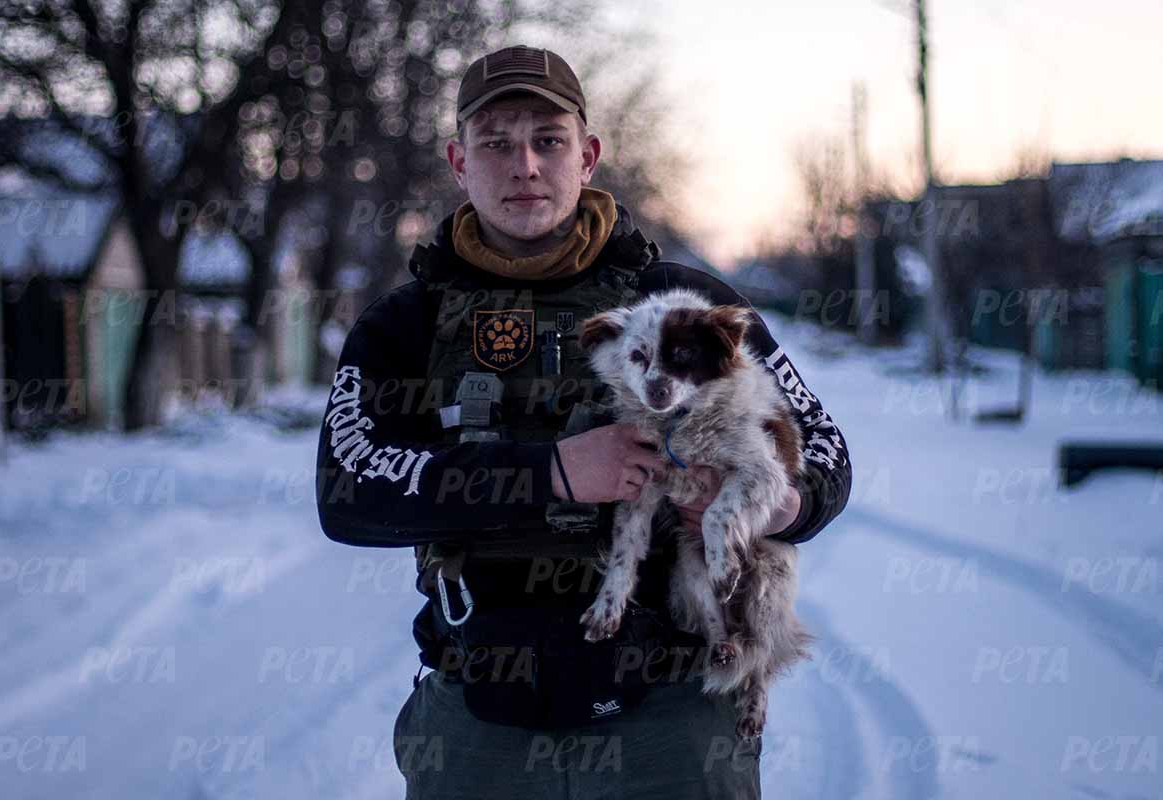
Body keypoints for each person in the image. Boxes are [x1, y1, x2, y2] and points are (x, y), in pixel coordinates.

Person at [316, 44, 852, 800]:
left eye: (549, 140)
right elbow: (347, 492)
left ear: (588, 155)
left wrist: (773, 504)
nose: (525, 166)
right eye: (495, 143)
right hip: (481, 722)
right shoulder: (406, 323)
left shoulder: (682, 304)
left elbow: (825, 451)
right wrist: (555, 474)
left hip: (673, 720)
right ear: (459, 162)